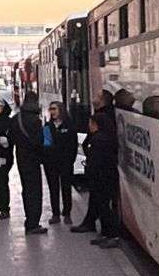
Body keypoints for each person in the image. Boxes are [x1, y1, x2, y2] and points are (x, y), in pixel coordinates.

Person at [71, 90, 115, 233]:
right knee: (97, 198)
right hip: (100, 169)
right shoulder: (104, 115)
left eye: (96, 96)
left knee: (102, 201)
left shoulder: (103, 119)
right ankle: (91, 222)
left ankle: (108, 232)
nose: (92, 97)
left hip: (101, 170)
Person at [8, 95, 48, 234]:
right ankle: (33, 223)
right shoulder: (36, 121)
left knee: (26, 189)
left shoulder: (15, 119)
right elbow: (43, 142)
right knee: (35, 190)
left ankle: (28, 220)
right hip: (33, 159)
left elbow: (10, 139)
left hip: (21, 158)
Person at [83, 110, 122, 248]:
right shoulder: (107, 137)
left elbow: (96, 160)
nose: (88, 126)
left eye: (90, 123)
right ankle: (106, 234)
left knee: (105, 207)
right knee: (103, 206)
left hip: (102, 178)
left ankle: (112, 235)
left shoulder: (99, 140)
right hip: (107, 176)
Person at [44, 101, 77, 223]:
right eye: (50, 109)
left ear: (61, 110)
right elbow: (46, 145)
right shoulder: (47, 126)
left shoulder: (69, 125)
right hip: (51, 164)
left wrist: (70, 160)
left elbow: (73, 144)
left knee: (66, 188)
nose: (52, 112)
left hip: (66, 162)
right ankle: (55, 214)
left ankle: (67, 213)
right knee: (53, 188)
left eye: (54, 109)